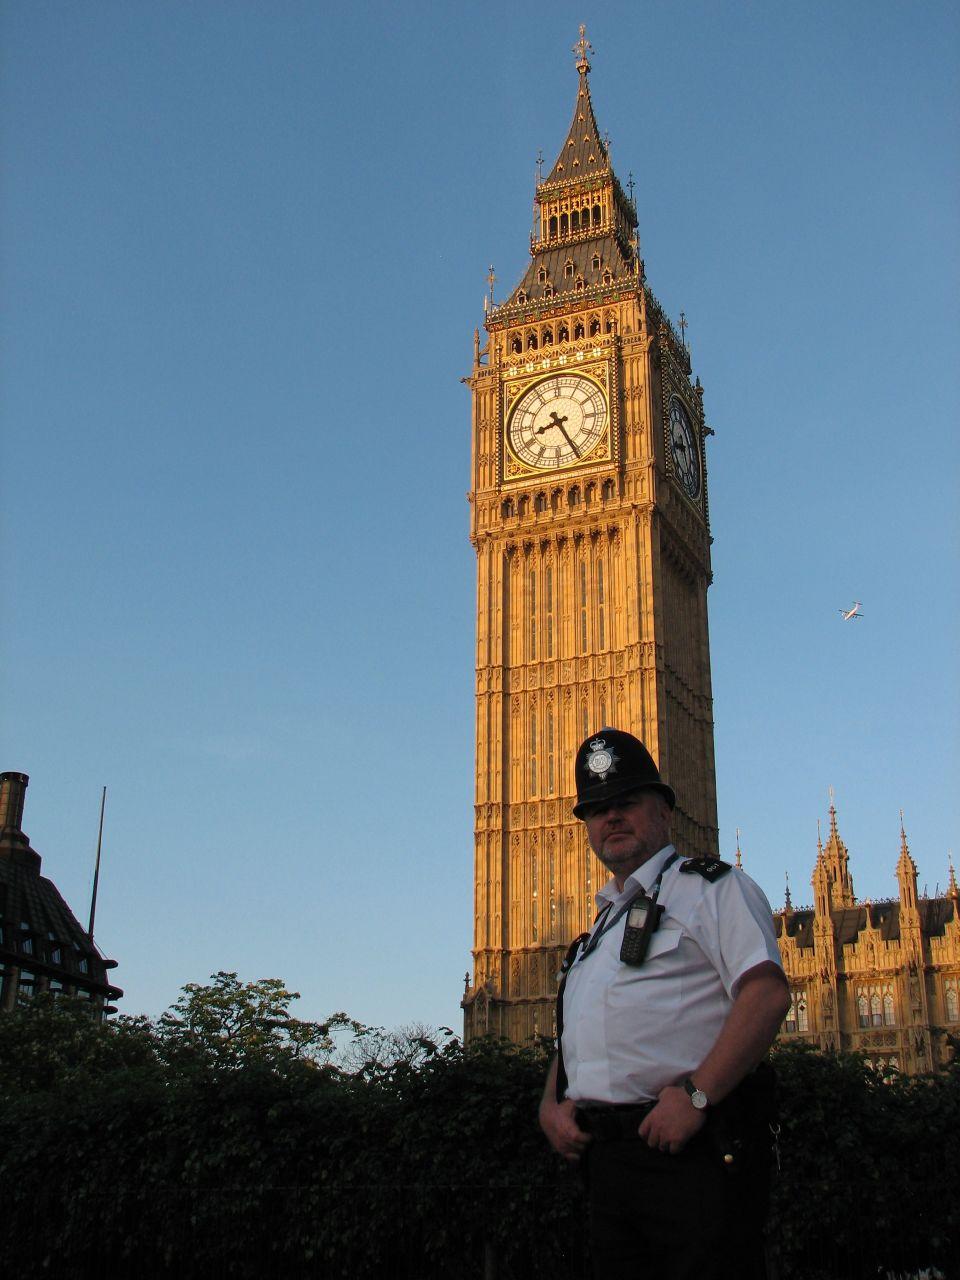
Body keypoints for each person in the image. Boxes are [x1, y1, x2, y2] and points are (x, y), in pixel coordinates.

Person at [538, 729, 790, 1280]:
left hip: (687, 1153)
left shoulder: (712, 889)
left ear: (664, 813)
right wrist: (552, 1102)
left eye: (626, 802)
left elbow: (766, 992)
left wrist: (697, 1097)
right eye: (598, 809)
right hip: (607, 1164)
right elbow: (578, 1028)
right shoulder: (598, 930)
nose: (612, 818)